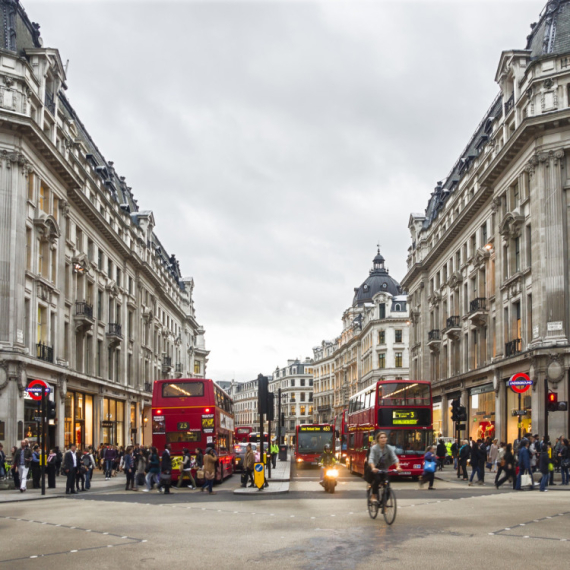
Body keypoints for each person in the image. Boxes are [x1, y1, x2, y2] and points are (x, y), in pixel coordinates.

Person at [368, 432, 402, 503]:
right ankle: (374, 495)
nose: (383, 439)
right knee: (377, 479)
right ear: (378, 439)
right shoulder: (374, 448)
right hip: (376, 468)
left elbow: (394, 458)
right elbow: (371, 458)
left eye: (384, 437)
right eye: (381, 438)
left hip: (384, 469)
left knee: (387, 488)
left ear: (386, 439)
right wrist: (373, 468)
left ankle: (384, 503)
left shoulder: (389, 448)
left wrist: (398, 467)